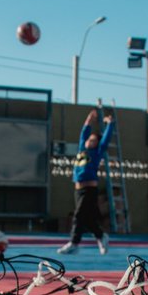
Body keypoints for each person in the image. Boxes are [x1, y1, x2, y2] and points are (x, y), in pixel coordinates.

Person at [58, 109, 114, 255]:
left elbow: (106, 139)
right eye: (90, 139)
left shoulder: (97, 152)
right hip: (78, 189)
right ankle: (101, 236)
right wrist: (89, 118)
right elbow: (84, 131)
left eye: (94, 140)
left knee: (78, 215)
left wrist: (110, 124)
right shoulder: (82, 146)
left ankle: (74, 243)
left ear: (97, 144)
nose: (90, 140)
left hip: (89, 189)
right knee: (87, 219)